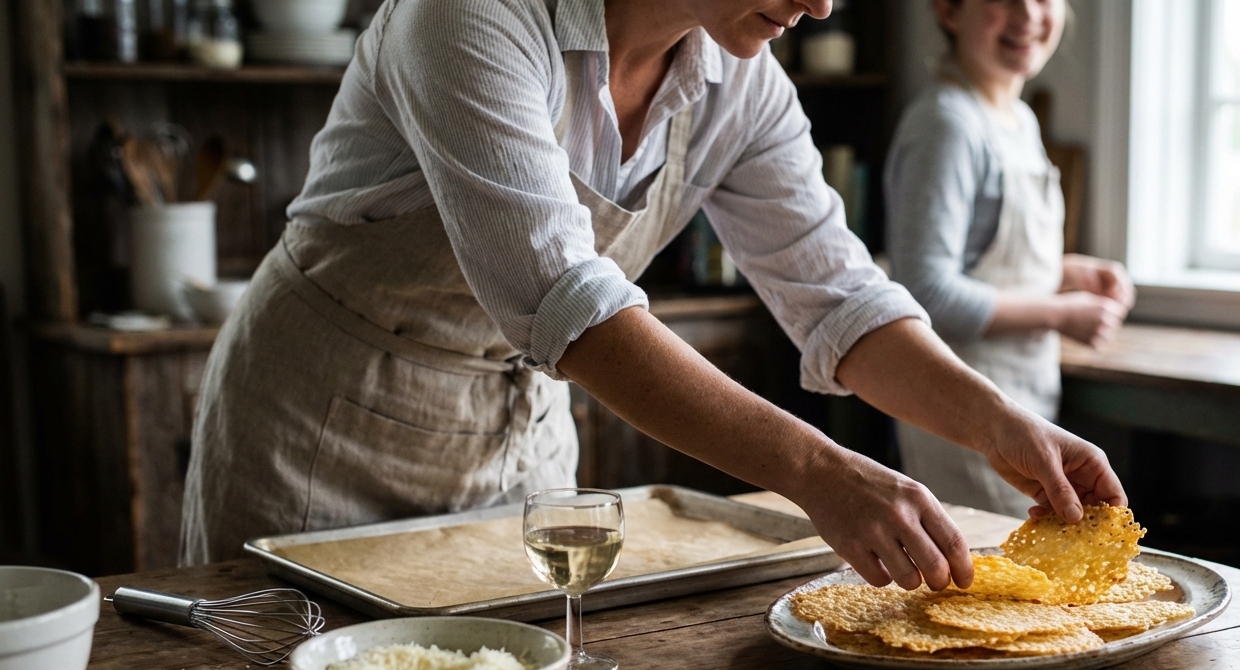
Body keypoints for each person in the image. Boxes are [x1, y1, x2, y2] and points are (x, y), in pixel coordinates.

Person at [180, 0, 1127, 593]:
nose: (823, 3)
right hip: (325, 426)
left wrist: (1000, 424)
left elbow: (840, 296)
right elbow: (570, 302)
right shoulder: (469, 16)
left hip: (521, 433)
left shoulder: (743, 85)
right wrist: (818, 473)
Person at [885, 0, 1135, 518]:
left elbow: (988, 260)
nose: (1028, 15)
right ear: (949, 10)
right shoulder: (946, 124)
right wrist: (1061, 314)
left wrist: (1067, 273)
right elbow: (926, 291)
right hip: (964, 423)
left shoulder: (1018, 119)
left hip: (1024, 404)